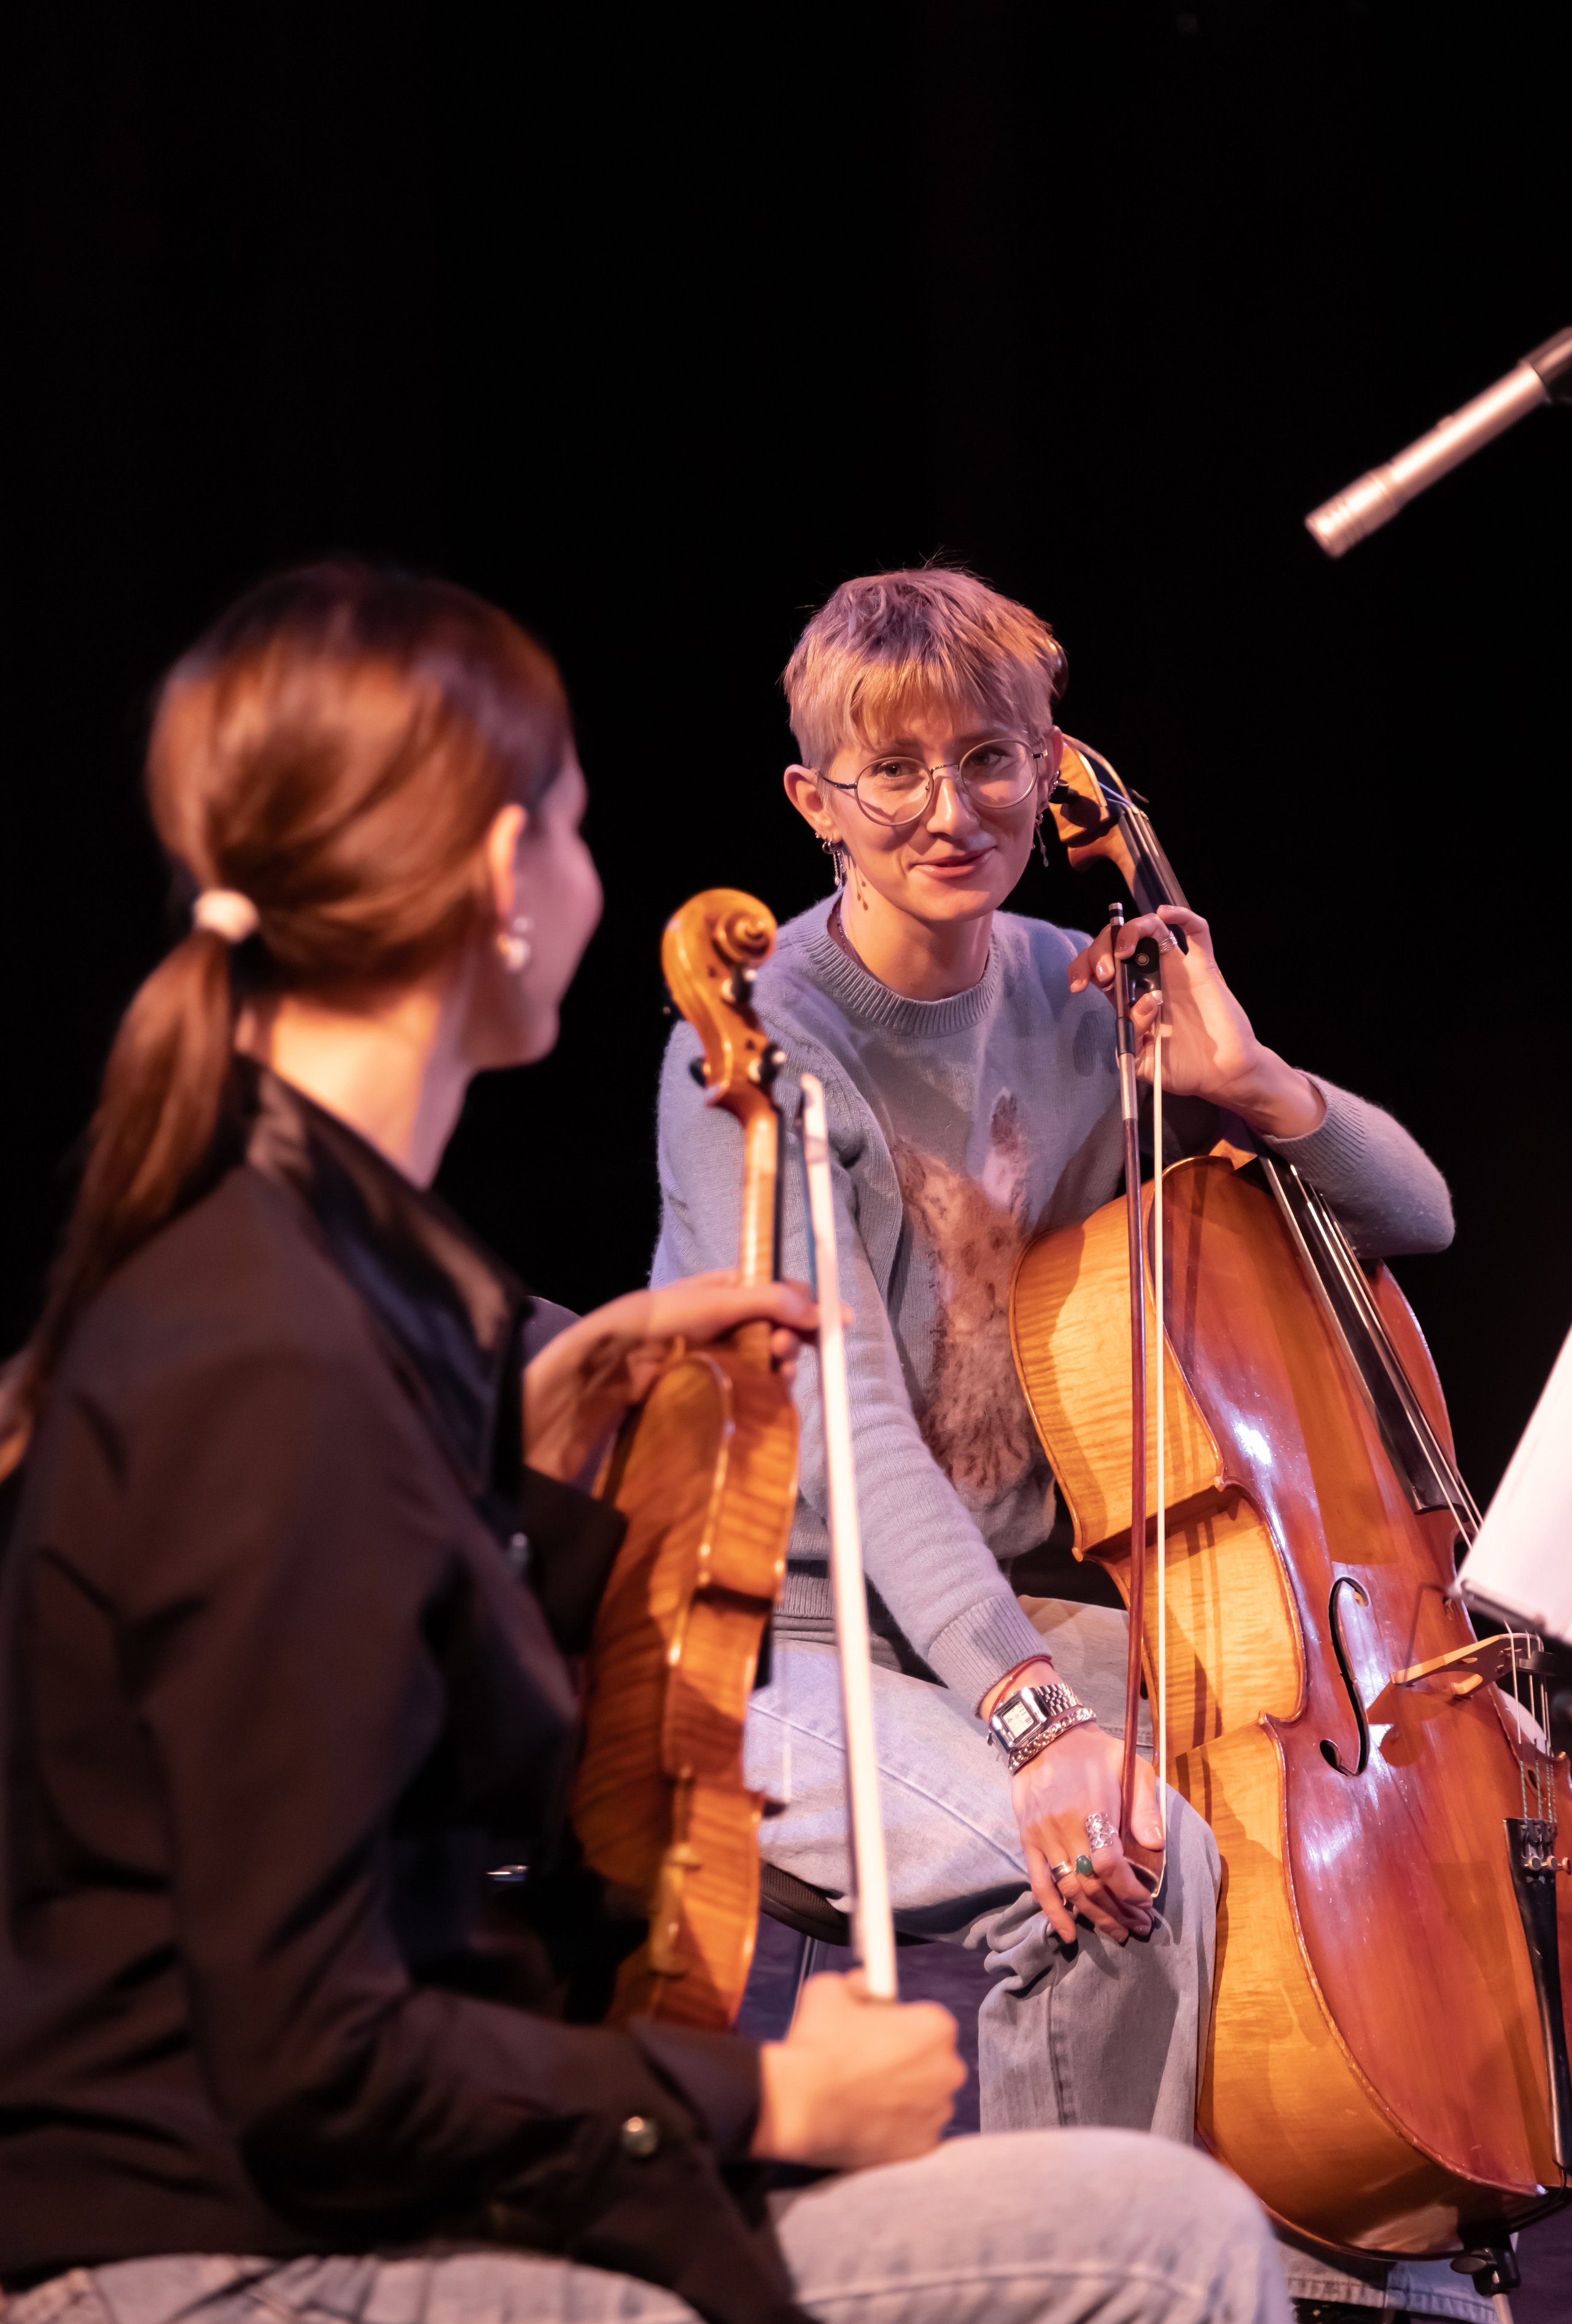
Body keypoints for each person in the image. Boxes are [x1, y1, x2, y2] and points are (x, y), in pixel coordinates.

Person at [0, 562, 1290, 2324]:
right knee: (1159, 2246)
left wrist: (557, 1393)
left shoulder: (362, 1282)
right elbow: (308, 2047)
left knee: (1166, 2208)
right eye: (580, 830)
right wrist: (763, 2098)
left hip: (367, 2182)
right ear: (500, 883)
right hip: (231, 2248)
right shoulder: (271, 1355)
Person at [653, 567, 1486, 2322]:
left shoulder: (1078, 992)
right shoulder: (756, 1046)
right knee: (1134, 1853)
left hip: (992, 1617)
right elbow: (854, 1431)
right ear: (816, 803)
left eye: (991, 760)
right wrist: (1038, 1722)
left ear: (1053, 766)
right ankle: (1083, 2281)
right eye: (897, 775)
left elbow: (1421, 1216)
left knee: (1291, 1796)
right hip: (775, 1641)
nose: (952, 810)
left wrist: (1257, 1086)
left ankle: (1348, 2251)